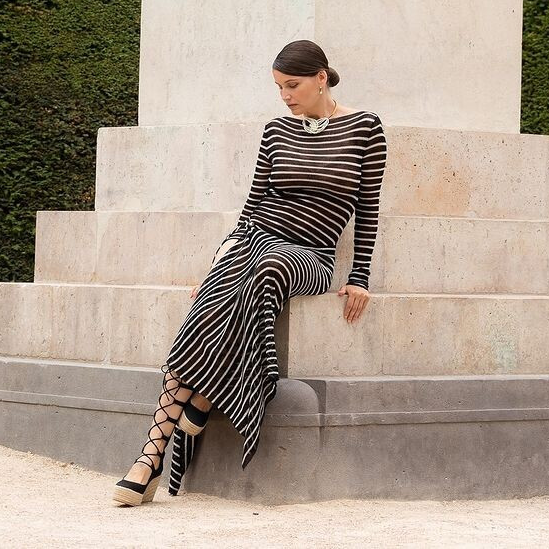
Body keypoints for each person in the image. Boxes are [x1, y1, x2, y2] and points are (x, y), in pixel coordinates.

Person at [113, 40, 389, 506]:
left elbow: (367, 208)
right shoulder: (277, 130)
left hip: (311, 255)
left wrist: (360, 276)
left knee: (265, 266)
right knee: (230, 274)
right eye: (279, 87)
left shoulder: (366, 127)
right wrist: (224, 250)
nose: (285, 96)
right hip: (256, 238)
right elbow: (255, 202)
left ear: (322, 77)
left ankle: (200, 400)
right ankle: (152, 453)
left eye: (293, 85)